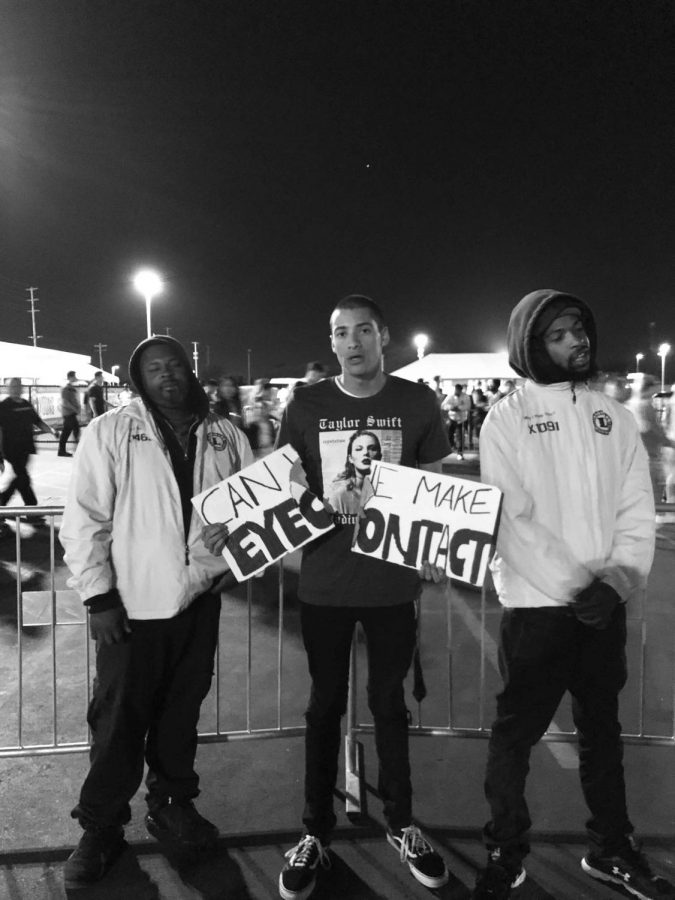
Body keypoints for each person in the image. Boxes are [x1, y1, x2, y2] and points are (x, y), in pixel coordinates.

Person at [210, 294, 452, 898]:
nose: (353, 342)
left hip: (392, 584)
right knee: (322, 707)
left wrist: (441, 545)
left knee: (390, 704)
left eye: (363, 330)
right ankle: (314, 829)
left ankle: (402, 823)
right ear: (333, 343)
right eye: (341, 332)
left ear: (384, 337)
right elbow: (284, 482)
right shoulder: (308, 403)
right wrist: (234, 522)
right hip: (323, 584)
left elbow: (438, 484)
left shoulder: (416, 401)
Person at [471, 290, 668, 900]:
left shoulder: (616, 417)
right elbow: (510, 518)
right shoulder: (506, 417)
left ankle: (611, 848)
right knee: (515, 738)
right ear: (531, 346)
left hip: (603, 608)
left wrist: (618, 581)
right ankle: (506, 850)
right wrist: (577, 587)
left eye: (579, 328)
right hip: (536, 611)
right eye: (558, 334)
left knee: (601, 734)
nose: (576, 340)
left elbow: (638, 509)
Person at [59, 336, 253, 890]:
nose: (166, 376)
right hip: (131, 609)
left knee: (179, 714)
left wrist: (240, 550)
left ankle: (172, 805)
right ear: (138, 380)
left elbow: (256, 513)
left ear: (189, 371)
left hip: (198, 600)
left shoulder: (227, 435)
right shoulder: (112, 430)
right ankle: (100, 827)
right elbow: (85, 519)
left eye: (174, 366)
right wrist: (98, 597)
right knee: (118, 722)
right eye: (153, 369)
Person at [0, 377, 56, 533]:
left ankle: (2, 505)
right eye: (12, 386)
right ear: (8, 388)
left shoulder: (26, 405)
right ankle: (32, 511)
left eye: (18, 386)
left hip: (26, 449)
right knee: (23, 478)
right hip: (10, 450)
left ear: (21, 388)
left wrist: (51, 430)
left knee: (19, 480)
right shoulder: (4, 407)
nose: (16, 388)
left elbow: (37, 421)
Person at [625, 374, 674, 503]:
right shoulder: (645, 405)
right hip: (649, 455)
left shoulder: (630, 404)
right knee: (655, 487)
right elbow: (655, 429)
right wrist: (669, 443)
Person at [325, 429, 382, 515]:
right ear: (350, 458)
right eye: (359, 449)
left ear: (379, 456)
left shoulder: (387, 493)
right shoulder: (338, 495)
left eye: (372, 449)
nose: (366, 452)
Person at [442, 382, 471, 459]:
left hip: (461, 419)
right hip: (452, 418)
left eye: (458, 390)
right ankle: (450, 447)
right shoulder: (450, 396)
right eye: (456, 390)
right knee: (449, 434)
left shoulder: (466, 397)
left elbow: (468, 406)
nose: (457, 391)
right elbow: (444, 405)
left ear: (461, 390)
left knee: (460, 436)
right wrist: (451, 407)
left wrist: (459, 408)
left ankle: (460, 453)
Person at [58, 370, 82, 457]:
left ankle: (63, 451)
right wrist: (75, 409)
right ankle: (76, 450)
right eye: (74, 376)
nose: (76, 378)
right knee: (71, 431)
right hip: (69, 414)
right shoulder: (66, 388)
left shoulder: (71, 388)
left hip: (71, 413)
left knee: (70, 431)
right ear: (70, 377)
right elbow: (65, 402)